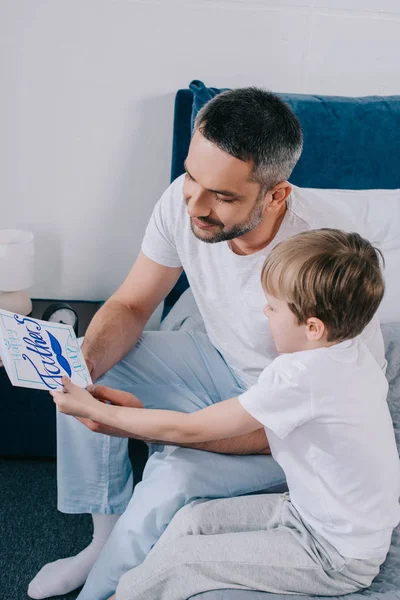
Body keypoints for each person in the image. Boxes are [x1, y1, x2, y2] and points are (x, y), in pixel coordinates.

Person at [28, 89, 387, 600]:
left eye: (222, 195)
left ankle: (105, 585)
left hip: (281, 417)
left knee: (171, 478)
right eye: (192, 176)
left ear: (276, 195)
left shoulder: (322, 263)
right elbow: (132, 305)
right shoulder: (186, 198)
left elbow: (300, 417)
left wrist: (162, 432)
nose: (193, 202)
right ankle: (100, 543)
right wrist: (80, 370)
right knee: (86, 362)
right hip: (220, 364)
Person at [53, 228, 400, 600]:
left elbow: (190, 429)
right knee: (191, 520)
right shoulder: (353, 352)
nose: (264, 312)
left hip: (334, 554)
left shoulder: (302, 377)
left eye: (273, 307)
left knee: (182, 562)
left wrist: (96, 411)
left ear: (313, 328)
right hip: (309, 514)